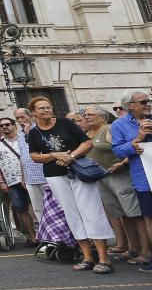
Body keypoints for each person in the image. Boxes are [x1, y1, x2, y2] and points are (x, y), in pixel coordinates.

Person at [27, 96, 115, 274]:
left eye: (49, 107)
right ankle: (87, 257)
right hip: (55, 176)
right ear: (34, 112)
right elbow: (34, 156)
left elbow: (87, 143)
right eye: (42, 108)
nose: (47, 110)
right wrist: (54, 155)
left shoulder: (65, 123)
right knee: (71, 213)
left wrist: (71, 156)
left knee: (91, 210)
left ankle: (104, 258)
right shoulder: (34, 132)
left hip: (78, 171)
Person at [84, 106, 149, 264]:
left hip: (119, 176)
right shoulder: (87, 133)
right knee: (122, 214)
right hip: (102, 178)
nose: (86, 117)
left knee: (135, 214)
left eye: (90, 114)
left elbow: (127, 148)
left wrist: (122, 163)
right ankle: (132, 248)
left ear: (102, 116)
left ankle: (145, 250)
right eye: (85, 115)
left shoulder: (110, 129)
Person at [111, 89, 152, 273]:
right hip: (143, 178)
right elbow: (118, 151)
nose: (148, 104)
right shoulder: (119, 125)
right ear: (130, 106)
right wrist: (138, 138)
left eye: (148, 101)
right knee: (150, 219)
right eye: (143, 102)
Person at [0, 118, 37, 245]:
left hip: (31, 177)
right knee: (21, 209)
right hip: (12, 181)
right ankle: (33, 237)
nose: (5, 127)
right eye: (2, 125)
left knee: (36, 207)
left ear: (14, 125)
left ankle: (44, 234)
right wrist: (1, 181)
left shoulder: (24, 138)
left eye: (7, 124)